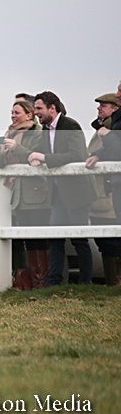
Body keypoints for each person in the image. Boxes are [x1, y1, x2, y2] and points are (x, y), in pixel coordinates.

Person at [28, 91, 96, 285]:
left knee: (79, 239)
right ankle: (54, 280)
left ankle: (85, 281)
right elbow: (41, 153)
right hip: (58, 194)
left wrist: (44, 158)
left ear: (52, 108)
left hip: (77, 193)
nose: (36, 113)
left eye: (39, 108)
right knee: (55, 238)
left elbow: (76, 155)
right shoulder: (44, 130)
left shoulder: (71, 126)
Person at [0, 100, 50, 289]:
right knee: (25, 238)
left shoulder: (38, 133)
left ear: (29, 114)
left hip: (35, 190)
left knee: (38, 237)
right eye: (12, 112)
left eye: (17, 112)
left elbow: (35, 156)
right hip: (16, 192)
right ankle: (31, 280)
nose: (13, 116)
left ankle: (43, 280)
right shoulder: (9, 134)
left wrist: (16, 147)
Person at [85, 93, 121, 286]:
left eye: (104, 106)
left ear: (115, 109)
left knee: (111, 240)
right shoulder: (101, 129)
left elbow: (115, 151)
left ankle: (115, 281)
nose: (99, 109)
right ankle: (112, 280)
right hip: (100, 191)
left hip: (109, 190)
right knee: (104, 239)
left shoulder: (110, 130)